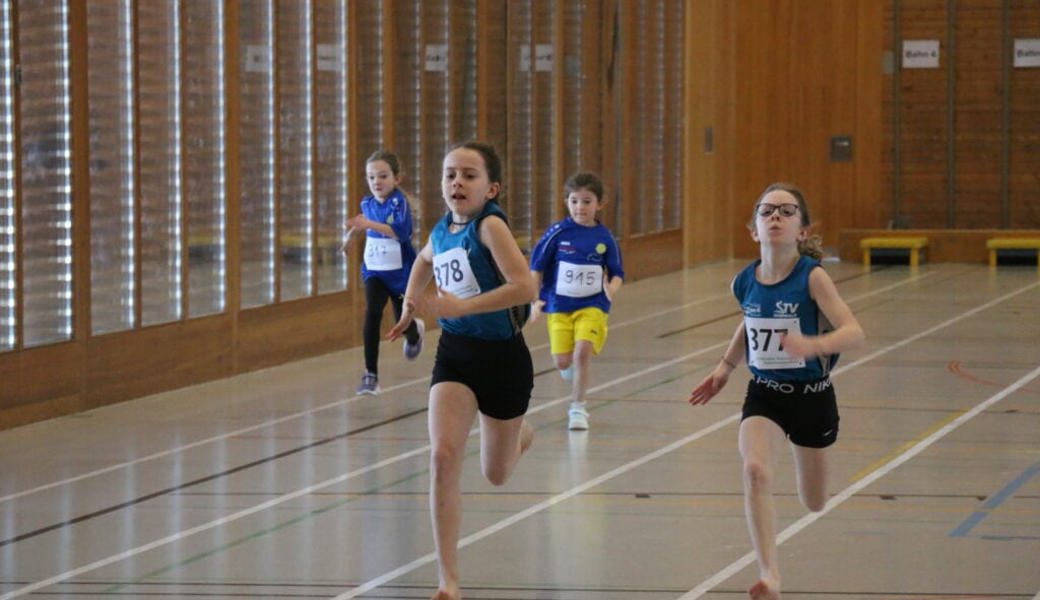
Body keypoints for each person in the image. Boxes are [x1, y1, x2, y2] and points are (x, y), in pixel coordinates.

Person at [687, 183, 865, 600]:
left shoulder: (812, 278)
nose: (776, 217)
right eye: (767, 211)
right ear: (754, 229)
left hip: (812, 396)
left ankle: (788, 539)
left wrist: (813, 346)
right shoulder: (743, 281)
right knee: (755, 471)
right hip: (764, 394)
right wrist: (725, 367)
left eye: (787, 212)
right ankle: (770, 576)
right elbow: (749, 322)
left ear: (803, 230)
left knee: (815, 501)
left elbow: (855, 333)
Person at [387, 141, 537, 600]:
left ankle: (520, 435)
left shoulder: (490, 226)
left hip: (503, 360)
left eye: (469, 175)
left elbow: (525, 286)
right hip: (455, 353)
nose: (457, 182)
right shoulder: (442, 230)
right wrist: (412, 307)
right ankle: (448, 579)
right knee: (442, 456)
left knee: (496, 472)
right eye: (450, 173)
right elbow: (422, 261)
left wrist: (464, 306)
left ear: (491, 187)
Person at [529, 172, 624, 430]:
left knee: (582, 352)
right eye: (574, 201)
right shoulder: (556, 233)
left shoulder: (605, 238)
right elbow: (536, 267)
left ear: (599, 204)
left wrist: (609, 292)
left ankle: (578, 409)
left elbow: (617, 274)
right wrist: (534, 300)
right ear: (566, 202)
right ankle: (567, 367)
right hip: (559, 305)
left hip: (593, 304)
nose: (580, 207)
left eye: (586, 201)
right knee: (563, 361)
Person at [343, 150, 425, 395]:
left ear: (396, 179)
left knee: (402, 320)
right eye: (371, 177)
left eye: (382, 176)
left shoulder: (399, 204)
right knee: (372, 313)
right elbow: (359, 226)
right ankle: (370, 375)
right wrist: (347, 240)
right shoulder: (367, 204)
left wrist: (368, 224)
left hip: (400, 275)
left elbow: (401, 232)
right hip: (375, 271)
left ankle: (414, 333)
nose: (376, 182)